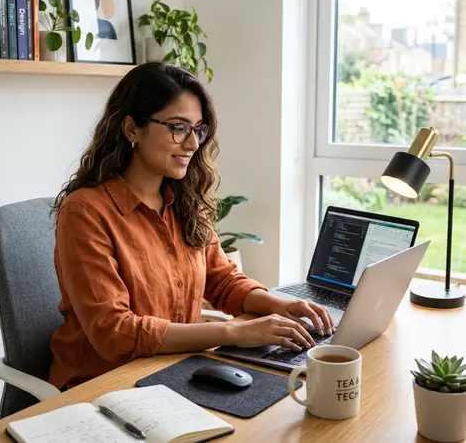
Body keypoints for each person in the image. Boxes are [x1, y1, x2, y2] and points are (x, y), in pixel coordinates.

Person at [49, 62, 335, 389]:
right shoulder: (86, 212)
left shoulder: (182, 200)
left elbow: (221, 279)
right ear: (131, 129)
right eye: (178, 127)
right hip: (102, 386)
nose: (193, 144)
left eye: (198, 129)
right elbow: (114, 332)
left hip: (174, 370)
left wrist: (278, 303)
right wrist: (233, 332)